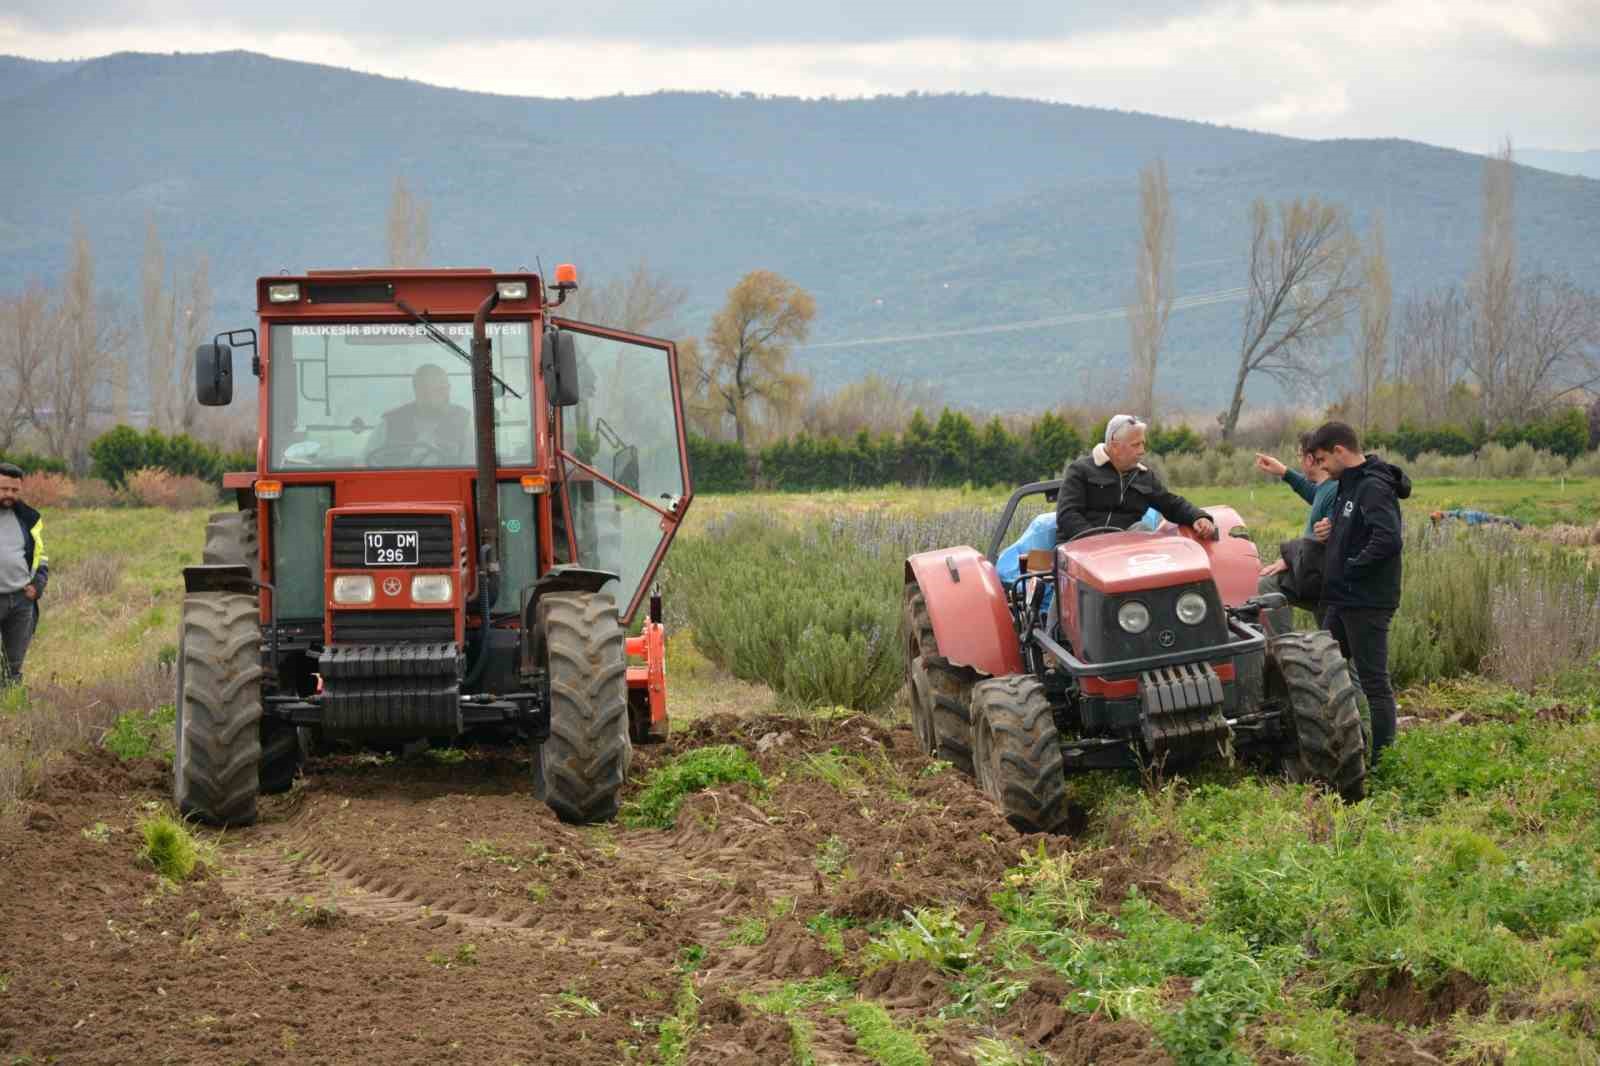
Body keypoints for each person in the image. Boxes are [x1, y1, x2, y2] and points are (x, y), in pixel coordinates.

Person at [1305, 421, 1411, 762]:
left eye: (1323, 459)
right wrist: (1332, 530)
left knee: (1374, 682)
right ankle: (1345, 743)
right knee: (1324, 669)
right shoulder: (1348, 485)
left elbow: (1387, 540)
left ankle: (1383, 761)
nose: (1321, 468)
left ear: (1339, 450)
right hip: (1343, 599)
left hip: (1366, 600)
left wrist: (1351, 567)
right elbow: (1358, 529)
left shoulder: (1373, 487)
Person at [1055, 414, 1216, 544]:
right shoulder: (1080, 470)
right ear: (1115, 446)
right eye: (1136, 445)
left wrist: (1198, 517)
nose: (1142, 451)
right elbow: (1067, 515)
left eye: (1143, 444)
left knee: (1142, 529)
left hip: (1125, 552)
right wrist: (1098, 541)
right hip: (1080, 550)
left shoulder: (1144, 476)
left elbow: (1172, 504)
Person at [1254, 434, 1339, 633]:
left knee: (1268, 585)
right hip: (1315, 570)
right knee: (1333, 636)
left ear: (1309, 459)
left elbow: (1329, 539)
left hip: (1319, 574)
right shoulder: (1324, 489)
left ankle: (1285, 645)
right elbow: (1311, 492)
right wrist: (1283, 471)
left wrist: (1291, 559)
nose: (1299, 461)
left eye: (1300, 456)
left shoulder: (1333, 491)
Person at [0, 462, 49, 687]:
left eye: (14, 490)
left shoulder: (29, 518)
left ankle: (10, 704)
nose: (9, 494)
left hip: (21, 601)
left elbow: (41, 556)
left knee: (13, 666)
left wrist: (38, 585)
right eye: (3, 489)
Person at [365, 363, 472, 465]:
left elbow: (473, 464)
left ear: (448, 389)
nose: (433, 397)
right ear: (416, 390)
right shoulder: (391, 422)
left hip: (448, 478)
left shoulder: (465, 423)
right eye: (426, 390)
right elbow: (366, 462)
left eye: (440, 390)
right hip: (399, 478)